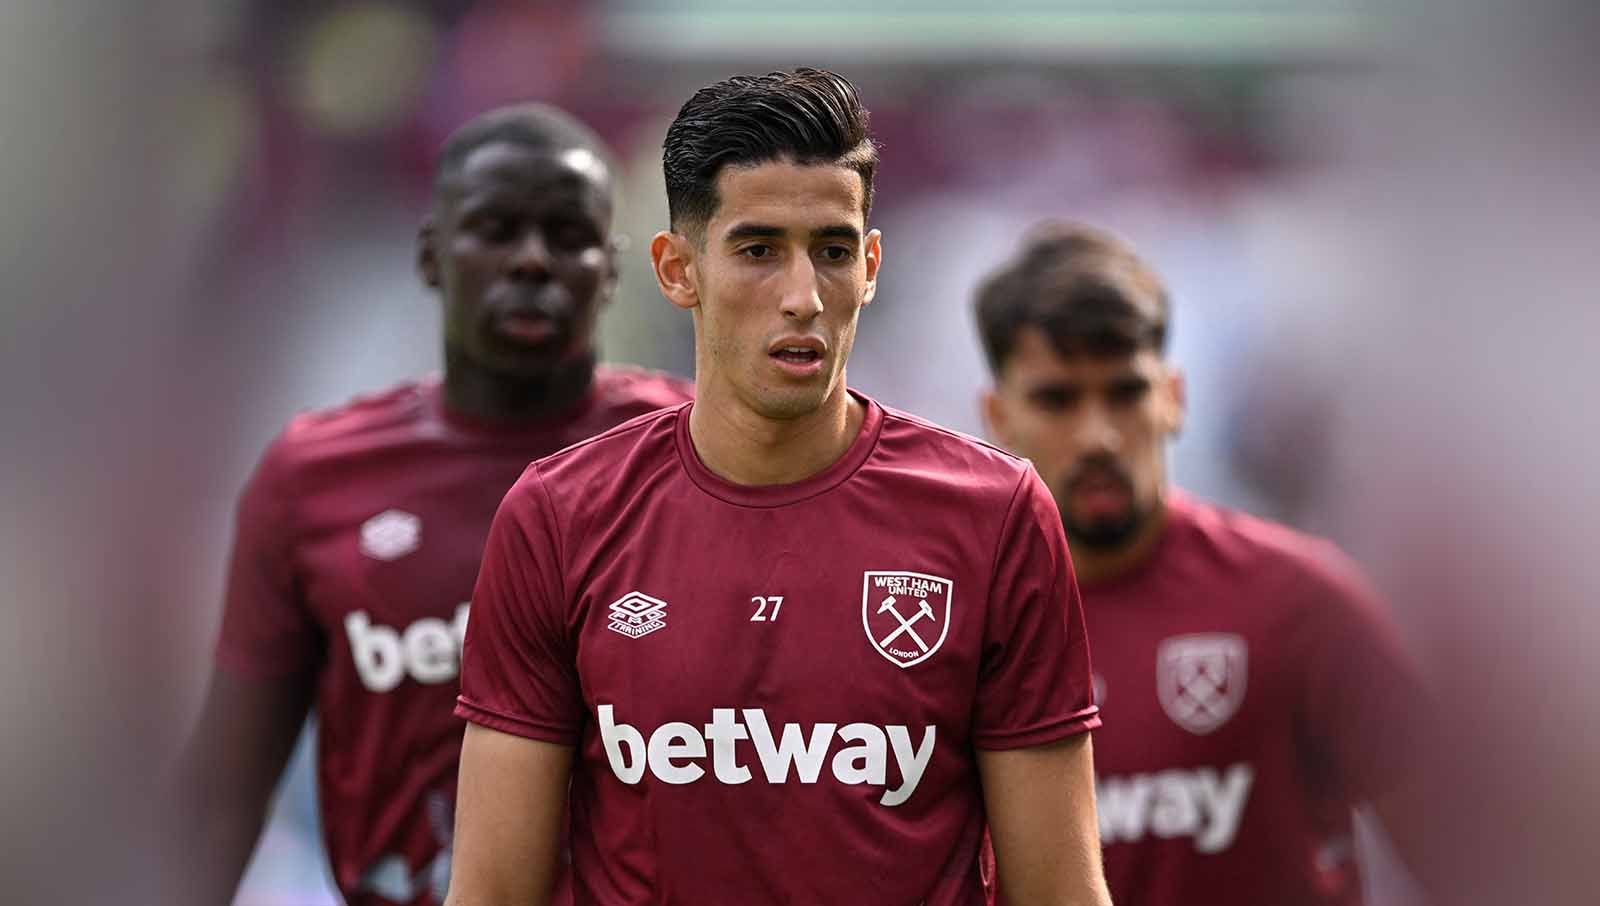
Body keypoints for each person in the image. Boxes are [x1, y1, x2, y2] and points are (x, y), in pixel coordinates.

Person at [446, 68, 1112, 906]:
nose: (803, 297)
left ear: (869, 266)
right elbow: (492, 895)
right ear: (677, 268)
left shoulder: (994, 516)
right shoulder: (560, 518)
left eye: (832, 251)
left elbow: (1060, 893)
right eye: (759, 251)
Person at [171, 104, 692, 906]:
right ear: (431, 257)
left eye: (566, 234)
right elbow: (224, 793)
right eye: (494, 228)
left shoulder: (692, 456)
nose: (530, 261)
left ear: (614, 268)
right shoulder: (315, 479)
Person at [974, 223, 1429, 906]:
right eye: (1057, 400)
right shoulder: (960, 630)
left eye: (1125, 392)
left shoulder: (1300, 601)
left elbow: (1473, 853)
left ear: (1174, 397)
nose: (1098, 435)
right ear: (997, 416)